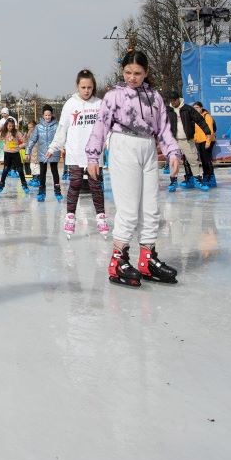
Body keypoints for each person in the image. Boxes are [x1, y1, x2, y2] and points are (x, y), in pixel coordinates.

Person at [86, 50, 181, 288]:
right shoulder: (114, 96)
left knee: (151, 209)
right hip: (123, 145)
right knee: (128, 210)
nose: (132, 77)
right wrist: (93, 156)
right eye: (128, 72)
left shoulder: (155, 97)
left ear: (146, 73)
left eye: (137, 73)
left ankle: (147, 259)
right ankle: (118, 260)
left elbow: (164, 128)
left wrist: (172, 151)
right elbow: (100, 127)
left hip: (147, 147)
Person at [50, 69, 108, 237]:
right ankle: (70, 217)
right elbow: (62, 129)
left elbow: (107, 128)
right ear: (77, 86)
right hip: (75, 152)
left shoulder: (99, 104)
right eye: (83, 87)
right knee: (74, 185)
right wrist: (53, 147)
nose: (86, 91)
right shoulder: (70, 104)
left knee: (96, 186)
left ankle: (101, 216)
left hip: (94, 154)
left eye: (89, 87)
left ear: (93, 87)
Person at [165, 93, 211, 192]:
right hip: (173, 141)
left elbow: (200, 120)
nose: (173, 103)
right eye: (171, 101)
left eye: (174, 100)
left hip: (187, 139)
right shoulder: (167, 110)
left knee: (193, 160)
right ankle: (173, 181)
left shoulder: (188, 109)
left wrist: (207, 132)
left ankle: (198, 180)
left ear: (178, 99)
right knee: (174, 162)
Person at [26, 104, 62, 202]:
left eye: (49, 115)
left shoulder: (56, 126)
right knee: (42, 173)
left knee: (55, 172)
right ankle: (41, 192)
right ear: (43, 115)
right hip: (42, 153)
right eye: (45, 115)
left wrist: (63, 148)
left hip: (54, 152)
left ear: (52, 115)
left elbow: (61, 138)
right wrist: (27, 152)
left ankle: (57, 191)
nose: (47, 117)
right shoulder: (38, 127)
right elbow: (32, 140)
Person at [0, 118, 28, 195]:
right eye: (9, 126)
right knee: (5, 170)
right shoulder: (4, 132)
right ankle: (1, 185)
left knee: (20, 170)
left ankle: (24, 185)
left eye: (12, 126)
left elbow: (25, 142)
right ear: (6, 125)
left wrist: (20, 146)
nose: (10, 127)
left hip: (15, 153)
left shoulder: (17, 132)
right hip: (7, 153)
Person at [191, 102, 217, 187]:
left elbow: (210, 130)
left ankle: (211, 178)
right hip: (199, 141)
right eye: (194, 108)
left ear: (201, 107)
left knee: (207, 160)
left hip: (207, 140)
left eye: (197, 107)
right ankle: (206, 176)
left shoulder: (207, 116)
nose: (195, 109)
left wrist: (208, 142)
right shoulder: (194, 117)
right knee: (203, 160)